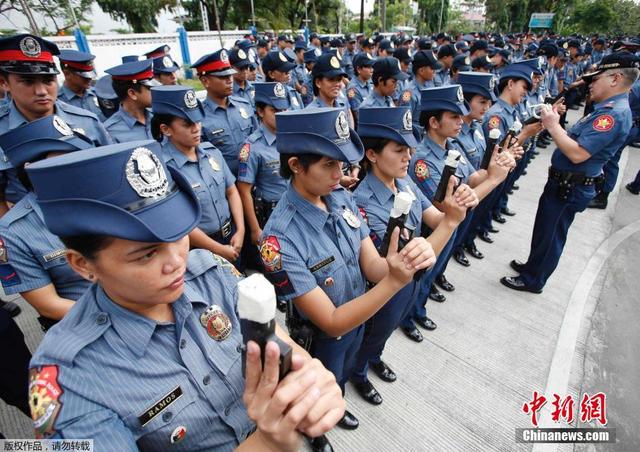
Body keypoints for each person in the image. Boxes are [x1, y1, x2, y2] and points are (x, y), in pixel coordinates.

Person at [26, 139, 344, 451]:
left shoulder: (210, 271)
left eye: (178, 235)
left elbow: (270, 339)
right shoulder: (70, 378)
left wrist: (307, 377)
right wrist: (268, 442)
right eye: (147, 254)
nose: (177, 261)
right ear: (83, 265)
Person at [260, 108, 435, 450]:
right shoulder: (279, 240)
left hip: (360, 318)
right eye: (328, 164)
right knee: (319, 387)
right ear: (296, 165)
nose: (340, 173)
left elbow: (372, 265)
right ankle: (316, 431)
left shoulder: (340, 198)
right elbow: (332, 321)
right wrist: (395, 282)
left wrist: (399, 264)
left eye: (342, 163)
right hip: (325, 335)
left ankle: (335, 405)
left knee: (340, 378)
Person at [351, 107, 467, 404]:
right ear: (373, 155)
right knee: (375, 331)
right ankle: (359, 372)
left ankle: (374, 358)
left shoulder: (404, 183)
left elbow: (434, 219)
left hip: (409, 281)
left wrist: (456, 208)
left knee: (389, 328)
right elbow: (406, 260)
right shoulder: (362, 202)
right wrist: (452, 220)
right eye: (399, 149)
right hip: (385, 285)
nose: (408, 156)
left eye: (409, 149)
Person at [502, 52, 638, 293]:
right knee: (545, 229)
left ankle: (534, 280)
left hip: (570, 186)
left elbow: (578, 153)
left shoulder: (611, 115)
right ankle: (532, 267)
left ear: (615, 78)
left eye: (596, 79)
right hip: (565, 183)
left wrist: (553, 125)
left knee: (552, 233)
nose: (591, 84)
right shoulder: (607, 108)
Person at [0, 116, 93, 330]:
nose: (76, 165)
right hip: (84, 326)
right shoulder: (14, 231)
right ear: (32, 168)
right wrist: (123, 316)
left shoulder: (103, 198)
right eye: (63, 159)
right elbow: (48, 305)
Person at [0, 34, 112, 207]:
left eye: (48, 81)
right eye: (28, 82)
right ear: (4, 83)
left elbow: (110, 172)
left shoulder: (86, 122)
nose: (41, 91)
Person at [151, 85, 245, 267]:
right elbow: (181, 222)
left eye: (198, 121)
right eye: (187, 124)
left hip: (232, 238)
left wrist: (240, 230)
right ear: (166, 129)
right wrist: (218, 249)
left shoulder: (211, 152)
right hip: (200, 250)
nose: (196, 129)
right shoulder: (163, 169)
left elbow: (231, 191)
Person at [236, 82, 290, 266]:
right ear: (260, 111)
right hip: (270, 217)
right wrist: (255, 229)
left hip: (294, 210)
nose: (281, 115)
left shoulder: (291, 137)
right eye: (275, 110)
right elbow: (244, 191)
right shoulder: (252, 147)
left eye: (284, 110)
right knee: (276, 266)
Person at [194, 49, 257, 176]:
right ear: (205, 81)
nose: (230, 80)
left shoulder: (243, 105)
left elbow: (257, 141)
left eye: (230, 75)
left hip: (254, 178)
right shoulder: (198, 117)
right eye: (223, 77)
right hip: (226, 185)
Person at [103, 59, 156, 143]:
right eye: (150, 88)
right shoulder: (111, 132)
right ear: (132, 93)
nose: (156, 91)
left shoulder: (159, 118)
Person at [400, 50, 442, 132]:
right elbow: (404, 123)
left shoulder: (430, 85)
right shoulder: (408, 93)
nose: (434, 71)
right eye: (432, 68)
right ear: (421, 71)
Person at [307, 53, 354, 125]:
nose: (337, 84)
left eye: (339, 80)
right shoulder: (311, 114)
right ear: (318, 83)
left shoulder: (342, 105)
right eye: (331, 79)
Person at [56, 49, 104, 119]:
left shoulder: (98, 94)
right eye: (84, 76)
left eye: (90, 75)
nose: (89, 79)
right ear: (67, 74)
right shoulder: (57, 102)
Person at [345, 52, 375, 118]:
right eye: (368, 67)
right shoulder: (353, 89)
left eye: (372, 66)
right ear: (358, 69)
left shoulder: (370, 82)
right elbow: (359, 117)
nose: (372, 70)